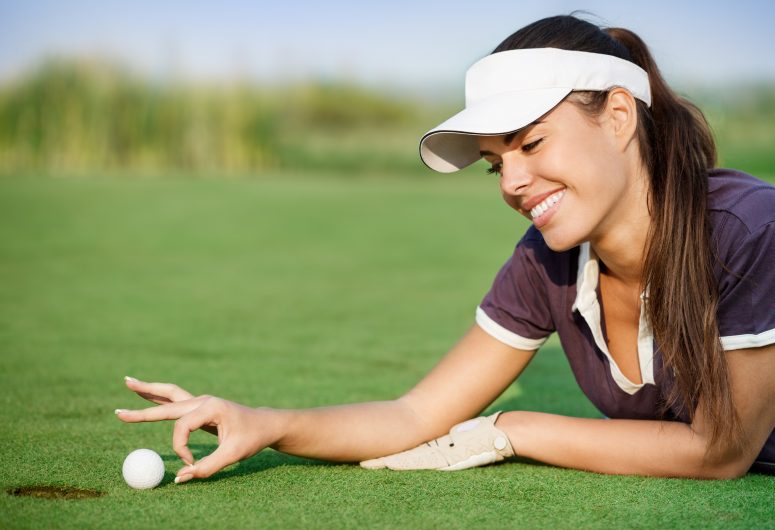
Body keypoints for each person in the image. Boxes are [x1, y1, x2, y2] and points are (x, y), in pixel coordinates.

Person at [115, 14, 775, 481]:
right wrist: (264, 422)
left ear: (618, 117)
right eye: (494, 163)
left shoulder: (744, 227)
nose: (512, 181)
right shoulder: (543, 259)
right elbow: (415, 413)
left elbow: (719, 452)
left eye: (531, 143)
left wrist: (515, 429)